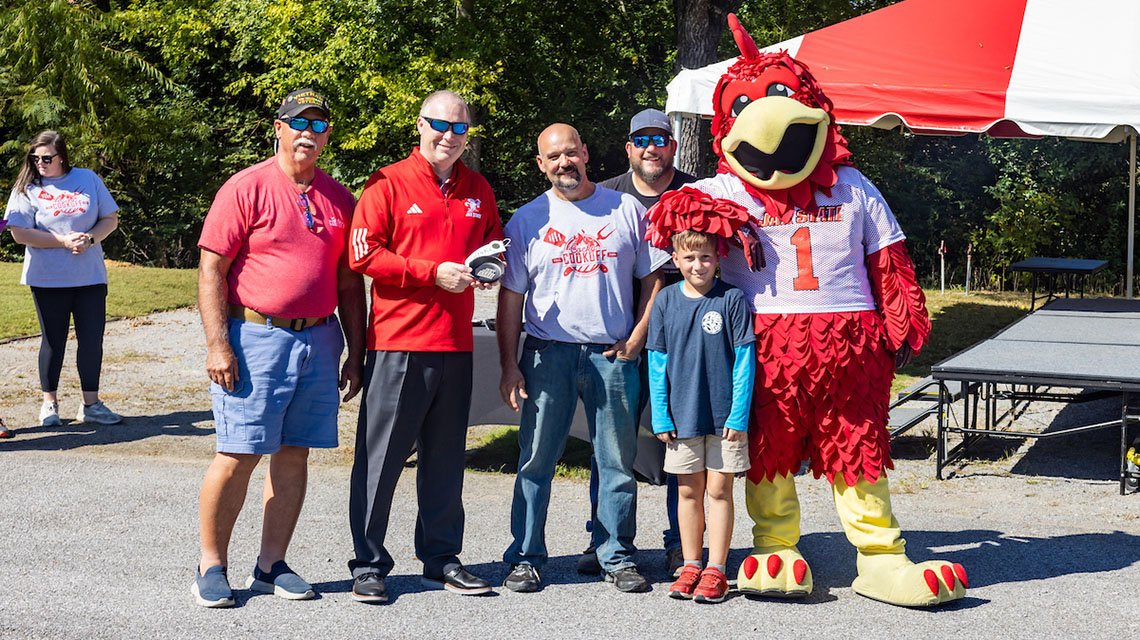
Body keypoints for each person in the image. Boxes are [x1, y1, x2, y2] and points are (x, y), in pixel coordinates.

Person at [192, 88, 365, 608]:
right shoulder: (246, 187)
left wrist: (355, 352)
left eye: (318, 126)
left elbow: (350, 284)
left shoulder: (340, 198)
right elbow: (210, 271)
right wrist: (218, 344)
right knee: (238, 453)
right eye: (298, 123)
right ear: (279, 127)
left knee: (294, 455)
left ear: (328, 135)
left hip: (319, 336)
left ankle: (271, 565)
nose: (308, 134)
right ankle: (210, 565)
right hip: (255, 336)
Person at [497, 123, 669, 593]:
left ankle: (616, 555)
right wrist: (509, 364)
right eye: (552, 157)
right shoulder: (527, 219)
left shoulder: (626, 208)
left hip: (611, 355)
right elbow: (510, 298)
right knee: (535, 459)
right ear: (541, 164)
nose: (563, 163)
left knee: (617, 461)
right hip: (547, 352)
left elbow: (653, 278)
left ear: (586, 153)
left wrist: (636, 338)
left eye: (570, 153)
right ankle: (526, 556)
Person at [347, 90, 502, 603]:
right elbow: (364, 253)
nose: (449, 136)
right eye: (440, 125)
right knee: (381, 458)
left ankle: (440, 559)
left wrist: (486, 269)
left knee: (445, 458)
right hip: (399, 341)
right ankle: (368, 564)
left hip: (457, 343)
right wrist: (431, 273)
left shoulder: (477, 186)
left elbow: (495, 244)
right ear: (420, 125)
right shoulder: (387, 182)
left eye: (459, 129)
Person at [575, 108, 698, 578]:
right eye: (641, 139)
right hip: (620, 341)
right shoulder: (602, 195)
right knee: (612, 446)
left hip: (684, 341)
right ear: (628, 148)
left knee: (682, 444)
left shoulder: (697, 193)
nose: (652, 147)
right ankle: (604, 537)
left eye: (661, 139)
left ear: (673, 145)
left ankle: (680, 542)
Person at [647, 230, 754, 604]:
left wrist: (739, 414)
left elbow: (744, 361)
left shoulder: (732, 299)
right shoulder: (663, 301)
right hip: (681, 418)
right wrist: (660, 415)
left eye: (705, 257)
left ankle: (717, 570)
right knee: (687, 492)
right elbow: (656, 363)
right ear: (675, 259)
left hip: (726, 420)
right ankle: (691, 564)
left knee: (719, 492)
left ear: (717, 258)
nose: (698, 265)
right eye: (689, 258)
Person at [4, 131, 122, 428]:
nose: (40, 163)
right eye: (35, 158)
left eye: (46, 158)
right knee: (53, 341)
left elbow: (110, 218)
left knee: (92, 340)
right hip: (47, 278)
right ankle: (49, 404)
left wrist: (91, 239)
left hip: (90, 276)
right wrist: (62, 241)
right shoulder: (26, 186)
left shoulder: (87, 179)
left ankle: (91, 405)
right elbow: (19, 233)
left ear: (62, 158)